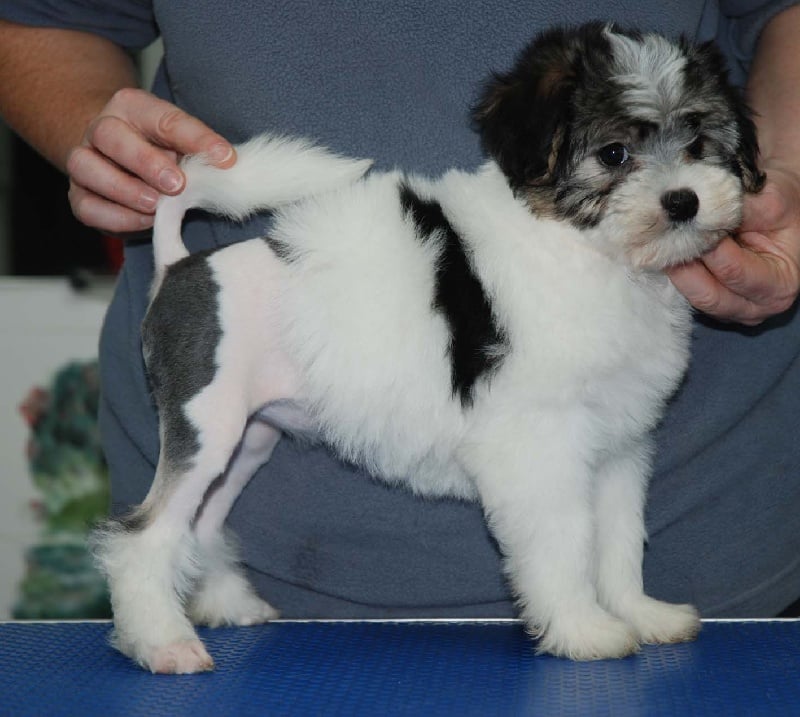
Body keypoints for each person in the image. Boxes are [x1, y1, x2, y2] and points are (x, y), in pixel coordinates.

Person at [1, 1, 799, 620]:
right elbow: (40, 17)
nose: (677, 184)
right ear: (538, 155)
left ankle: (620, 591)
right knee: (204, 464)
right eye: (617, 154)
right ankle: (160, 593)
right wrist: (103, 139)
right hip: (282, 463)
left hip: (721, 532)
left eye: (698, 146)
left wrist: (788, 171)